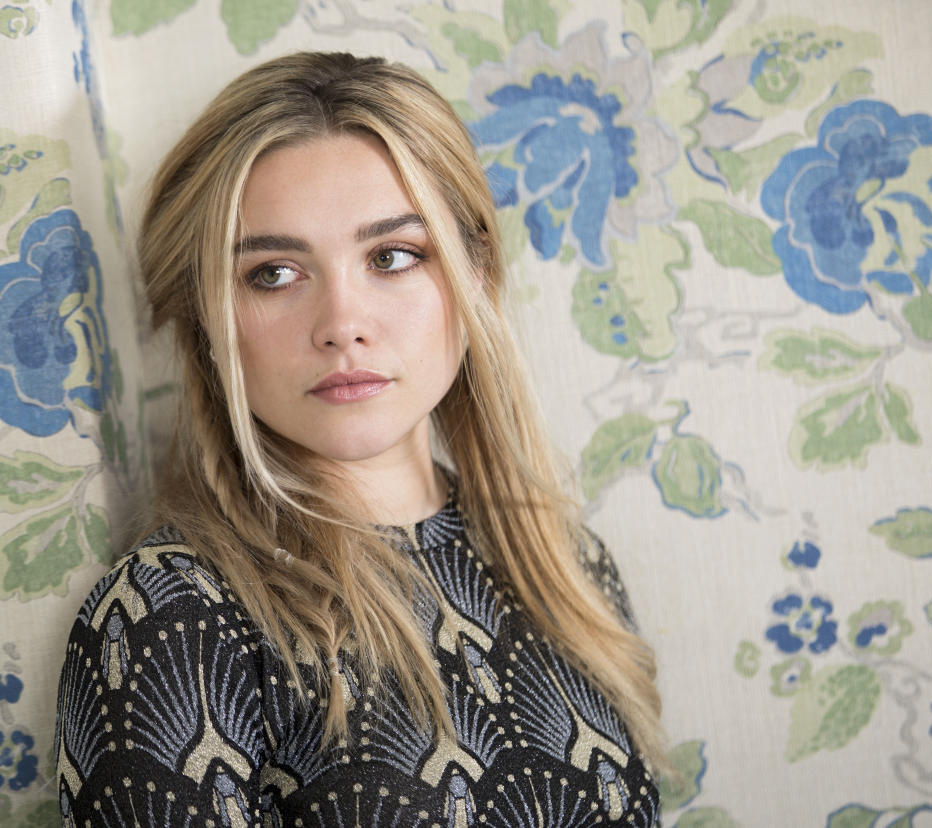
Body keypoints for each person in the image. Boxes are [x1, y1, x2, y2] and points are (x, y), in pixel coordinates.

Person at [55, 51, 664, 827]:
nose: (343, 323)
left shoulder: (569, 568)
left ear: (475, 275)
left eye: (393, 257)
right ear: (208, 316)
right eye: (273, 273)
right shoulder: (172, 617)